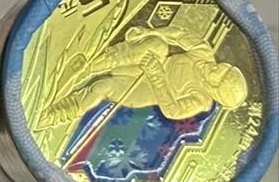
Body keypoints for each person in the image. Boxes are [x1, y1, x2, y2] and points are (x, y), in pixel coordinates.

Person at [40, 20, 248, 127]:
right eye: (222, 67)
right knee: (158, 45)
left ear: (216, 90)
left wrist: (157, 77)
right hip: (147, 66)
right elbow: (179, 35)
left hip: (145, 91)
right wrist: (149, 32)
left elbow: (173, 111)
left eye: (218, 75)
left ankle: (52, 116)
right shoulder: (204, 54)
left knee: (102, 87)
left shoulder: (200, 100)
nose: (215, 67)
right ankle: (87, 66)